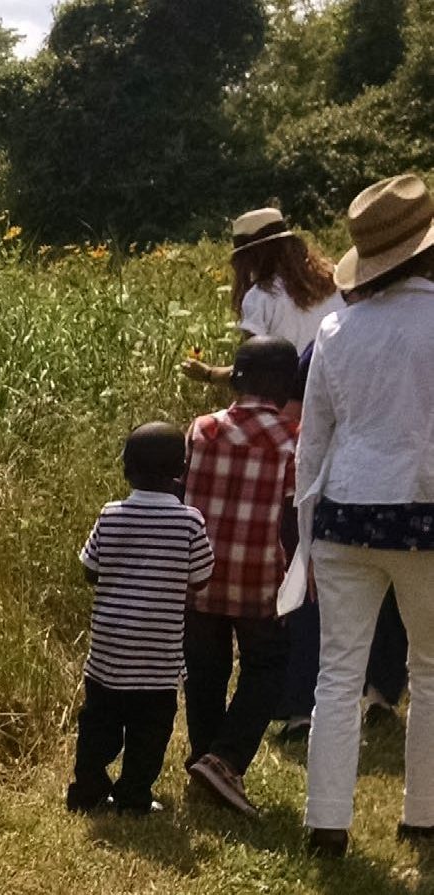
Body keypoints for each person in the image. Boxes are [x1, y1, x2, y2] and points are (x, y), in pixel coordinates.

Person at [299, 174, 434, 857]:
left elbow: (311, 443)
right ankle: (421, 814)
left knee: (337, 672)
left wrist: (304, 535)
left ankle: (326, 823)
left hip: (344, 512)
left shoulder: (332, 328)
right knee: (431, 669)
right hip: (422, 511)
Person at [69, 422, 214, 816]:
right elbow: (201, 578)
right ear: (181, 472)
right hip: (158, 657)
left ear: (125, 468)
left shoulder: (111, 514)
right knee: (149, 732)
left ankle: (88, 789)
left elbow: (89, 569)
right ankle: (133, 795)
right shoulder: (189, 522)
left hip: (108, 652)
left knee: (98, 723)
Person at [182, 337, 300, 816]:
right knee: (267, 666)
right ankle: (225, 758)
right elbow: (291, 514)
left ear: (236, 379)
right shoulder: (294, 439)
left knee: (205, 672)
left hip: (201, 574)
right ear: (285, 384)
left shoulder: (201, 429)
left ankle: (202, 755)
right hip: (259, 578)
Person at [274, 334, 410, 743]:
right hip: (413, 495)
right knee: (396, 603)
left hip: (340, 493)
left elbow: (300, 421)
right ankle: (381, 694)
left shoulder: (332, 338)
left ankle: (302, 707)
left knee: (318, 605)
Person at [182, 207, 345, 394]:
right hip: (347, 385)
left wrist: (208, 373)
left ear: (250, 258)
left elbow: (253, 372)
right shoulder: (336, 276)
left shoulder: (259, 298)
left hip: (298, 402)